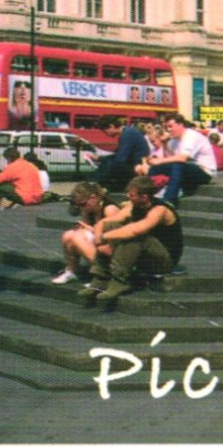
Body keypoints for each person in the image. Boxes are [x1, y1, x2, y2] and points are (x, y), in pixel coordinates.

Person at [79, 175, 183, 310]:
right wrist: (100, 240)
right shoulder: (132, 206)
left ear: (144, 197)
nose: (128, 196)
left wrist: (105, 237)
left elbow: (136, 230)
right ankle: (101, 278)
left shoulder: (160, 210)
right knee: (112, 225)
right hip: (143, 256)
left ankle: (119, 281)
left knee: (136, 236)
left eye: (132, 195)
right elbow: (105, 222)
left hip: (164, 260)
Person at [54, 182, 120, 284]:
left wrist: (90, 229)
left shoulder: (109, 209)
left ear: (93, 198)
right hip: (100, 241)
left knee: (77, 237)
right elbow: (86, 227)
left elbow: (114, 236)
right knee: (68, 235)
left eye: (83, 204)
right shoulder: (89, 208)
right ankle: (71, 271)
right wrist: (84, 228)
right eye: (78, 205)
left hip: (114, 247)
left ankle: (104, 274)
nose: (81, 208)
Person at [147, 115, 215, 205]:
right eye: (167, 127)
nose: (169, 129)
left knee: (177, 165)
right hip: (186, 169)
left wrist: (159, 160)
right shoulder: (174, 139)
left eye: (171, 126)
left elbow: (182, 158)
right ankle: (147, 194)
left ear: (180, 124)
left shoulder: (191, 136)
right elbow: (170, 158)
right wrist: (165, 143)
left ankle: (169, 199)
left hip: (205, 172)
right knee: (155, 167)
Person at [95, 117, 150, 192]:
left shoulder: (127, 134)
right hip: (134, 163)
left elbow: (120, 158)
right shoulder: (127, 132)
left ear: (111, 126)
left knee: (108, 166)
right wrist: (99, 158)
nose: (106, 134)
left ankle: (100, 189)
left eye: (105, 131)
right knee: (107, 164)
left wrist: (102, 160)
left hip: (137, 165)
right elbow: (119, 155)